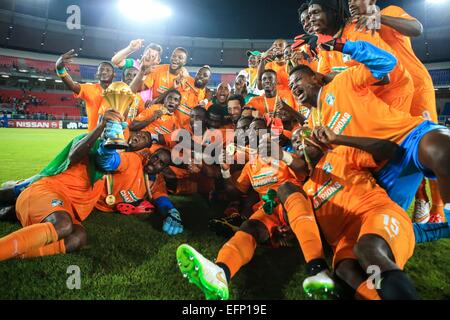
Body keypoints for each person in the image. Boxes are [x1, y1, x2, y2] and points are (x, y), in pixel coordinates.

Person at [288, 39, 450, 216]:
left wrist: (345, 46)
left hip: (407, 137)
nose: (293, 86)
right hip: (380, 173)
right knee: (378, 232)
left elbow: (387, 63)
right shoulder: (313, 124)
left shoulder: (342, 82)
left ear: (316, 77)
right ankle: (424, 230)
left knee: (443, 150)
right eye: (290, 86)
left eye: (297, 80)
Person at [176, 118, 333, 300]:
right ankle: (220, 273)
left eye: (257, 130)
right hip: (270, 211)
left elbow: (304, 170)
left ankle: (318, 268)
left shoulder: (284, 152)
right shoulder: (251, 164)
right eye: (249, 132)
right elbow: (234, 193)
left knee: (285, 188)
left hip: (296, 204)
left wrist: (282, 155)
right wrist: (226, 170)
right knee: (250, 227)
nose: (252, 134)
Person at [278, 126, 418, 300]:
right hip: (344, 241)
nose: (299, 143)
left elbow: (391, 151)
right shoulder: (306, 189)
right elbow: (309, 226)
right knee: (345, 271)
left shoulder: (341, 154)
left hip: (376, 213)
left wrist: (337, 139)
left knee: (367, 250)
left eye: (304, 137)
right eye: (295, 141)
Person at [349, 0, 444, 223]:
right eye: (348, 0)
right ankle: (421, 198)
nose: (351, 3)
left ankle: (438, 208)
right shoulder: (355, 28)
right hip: (389, 93)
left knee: (429, 143)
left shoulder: (390, 12)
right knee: (404, 147)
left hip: (417, 87)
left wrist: (379, 19)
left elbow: (417, 28)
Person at [308, 0, 414, 113]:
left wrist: (338, 77)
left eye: (316, 12)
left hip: (392, 95)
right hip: (368, 99)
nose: (311, 19)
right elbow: (325, 78)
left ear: (333, 12)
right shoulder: (325, 46)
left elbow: (384, 75)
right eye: (310, 15)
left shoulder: (358, 29)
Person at [55, 50, 115, 132]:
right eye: (101, 70)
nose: (104, 72)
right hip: (93, 139)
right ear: (97, 74)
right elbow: (72, 85)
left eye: (108, 70)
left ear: (114, 74)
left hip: (115, 139)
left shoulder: (120, 91)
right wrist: (60, 68)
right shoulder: (89, 88)